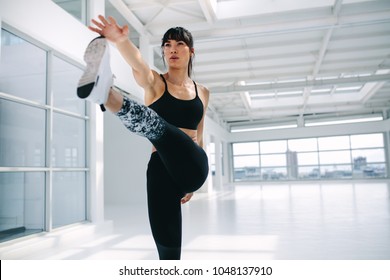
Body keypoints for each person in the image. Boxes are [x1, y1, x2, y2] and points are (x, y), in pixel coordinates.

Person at [77, 15, 210, 260]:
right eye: (167, 45)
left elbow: (199, 135)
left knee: (156, 126)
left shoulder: (202, 91)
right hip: (161, 170)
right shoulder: (156, 83)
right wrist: (120, 41)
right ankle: (103, 91)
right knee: (168, 251)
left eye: (179, 44)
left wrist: (191, 183)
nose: (172, 49)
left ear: (191, 52)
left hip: (193, 165)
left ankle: (106, 92)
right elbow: (139, 65)